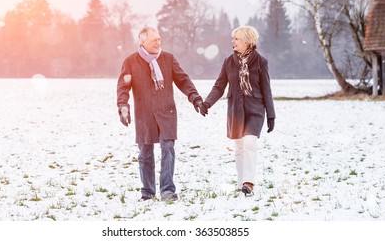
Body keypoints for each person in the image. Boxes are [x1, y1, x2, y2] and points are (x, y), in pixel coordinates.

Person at [116, 27, 207, 202]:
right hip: (144, 114)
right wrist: (123, 107)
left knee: (168, 149)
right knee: (145, 153)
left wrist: (195, 98)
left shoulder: (168, 59)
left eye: (159, 39)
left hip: (167, 112)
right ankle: (147, 192)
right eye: (153, 40)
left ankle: (167, 191)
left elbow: (183, 80)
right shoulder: (131, 62)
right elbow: (123, 87)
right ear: (142, 42)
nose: (158, 42)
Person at [202, 25, 275, 196]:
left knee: (249, 142)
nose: (232, 41)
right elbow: (219, 86)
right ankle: (242, 182)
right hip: (235, 110)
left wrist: (271, 115)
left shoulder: (261, 62)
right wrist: (207, 103)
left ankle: (249, 182)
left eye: (236, 39)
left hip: (255, 109)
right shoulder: (229, 61)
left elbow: (266, 90)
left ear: (247, 41)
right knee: (240, 146)